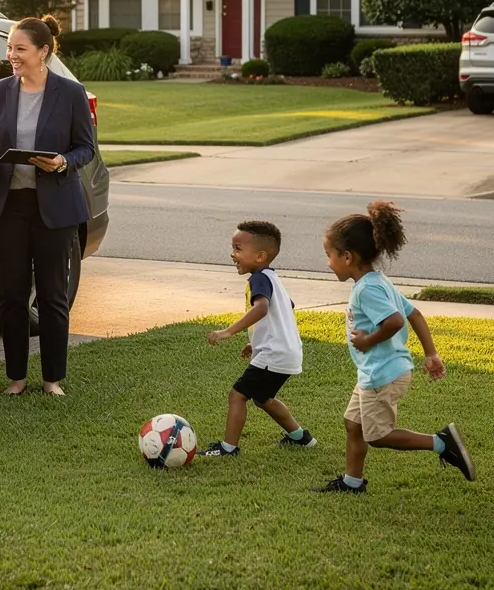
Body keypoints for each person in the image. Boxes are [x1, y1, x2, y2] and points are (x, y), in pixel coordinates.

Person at [0, 15, 95, 396]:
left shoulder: (70, 93)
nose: (11, 55)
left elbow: (86, 147)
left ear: (43, 52)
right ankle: (16, 378)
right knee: (12, 295)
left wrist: (63, 162)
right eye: (9, 48)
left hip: (56, 208)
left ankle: (52, 379)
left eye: (20, 49)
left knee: (52, 295)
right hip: (9, 207)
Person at [315, 200, 475, 493]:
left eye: (329, 255)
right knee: (353, 424)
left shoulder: (368, 289)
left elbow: (395, 321)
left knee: (377, 436)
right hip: (375, 372)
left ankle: (442, 443)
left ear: (347, 256)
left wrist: (366, 340)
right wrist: (431, 354)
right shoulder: (378, 281)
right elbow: (414, 314)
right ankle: (352, 482)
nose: (328, 262)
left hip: (382, 374)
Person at [199, 221, 316, 457]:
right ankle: (301, 437)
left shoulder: (259, 279)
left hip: (274, 353)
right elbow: (284, 310)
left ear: (260, 256)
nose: (233, 254)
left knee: (237, 395)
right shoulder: (273, 278)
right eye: (233, 248)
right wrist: (256, 341)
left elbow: (262, 309)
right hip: (285, 351)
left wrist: (228, 331)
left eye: (238, 249)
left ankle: (228, 448)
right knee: (263, 398)